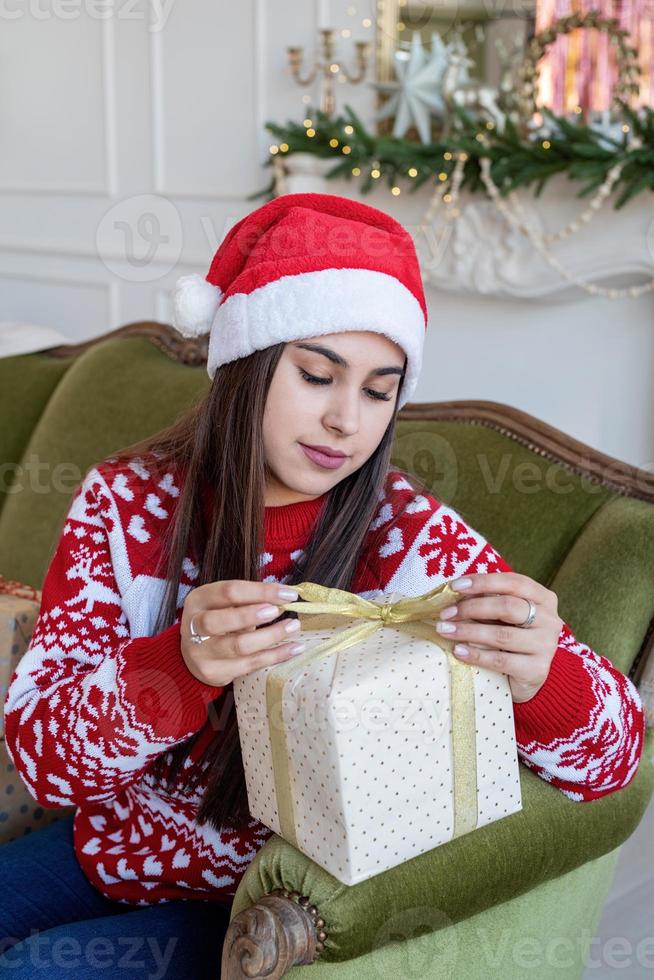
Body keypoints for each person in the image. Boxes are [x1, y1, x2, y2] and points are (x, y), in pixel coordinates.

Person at [1, 193, 645, 977]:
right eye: (317, 375)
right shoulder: (124, 504)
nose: (347, 419)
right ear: (246, 363)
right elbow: (42, 759)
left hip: (262, 907)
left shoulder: (410, 541)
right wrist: (180, 666)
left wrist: (543, 673)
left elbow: (614, 758)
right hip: (107, 850)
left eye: (379, 390)